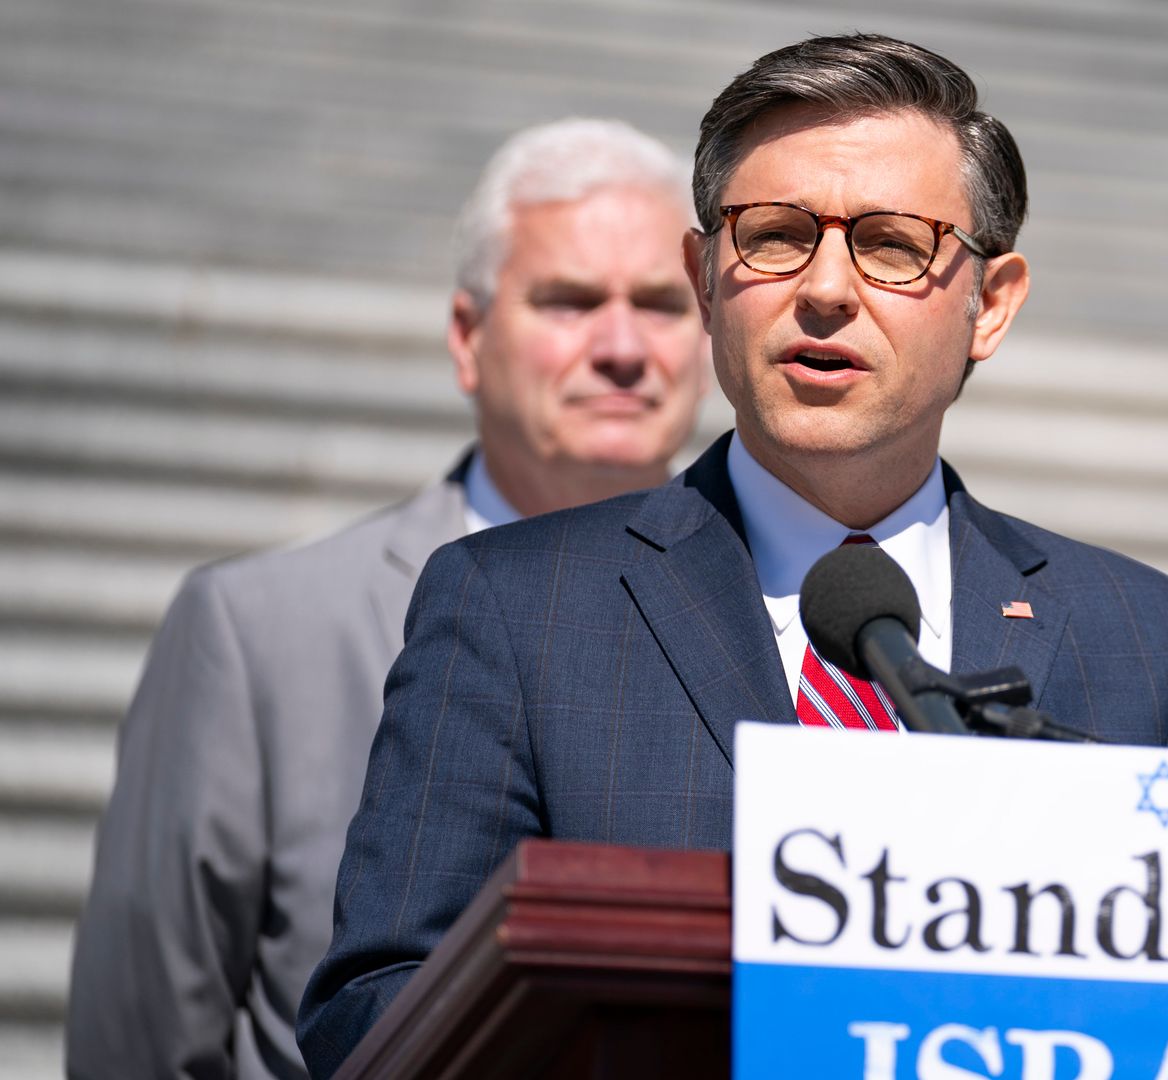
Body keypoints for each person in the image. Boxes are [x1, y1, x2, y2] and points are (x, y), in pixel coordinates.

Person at [296, 34, 1168, 1074]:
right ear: (703, 278)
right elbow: (374, 1018)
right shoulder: (518, 608)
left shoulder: (1141, 638)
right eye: (776, 235)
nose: (826, 288)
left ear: (992, 302)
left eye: (890, 243)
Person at [66, 118, 710, 1080]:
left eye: (661, 305)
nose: (622, 347)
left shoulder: (794, 617)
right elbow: (142, 1040)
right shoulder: (260, 634)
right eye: (570, 302)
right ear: (467, 337)